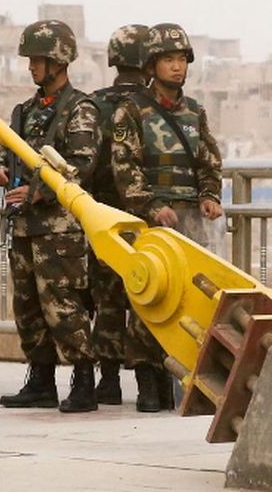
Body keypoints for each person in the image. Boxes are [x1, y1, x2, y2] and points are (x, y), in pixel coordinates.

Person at [0, 20, 100, 413]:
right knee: (28, 305)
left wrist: (36, 192)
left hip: (59, 230)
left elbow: (81, 165)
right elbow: (2, 151)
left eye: (39, 59)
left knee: (63, 304)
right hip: (22, 226)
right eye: (31, 60)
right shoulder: (23, 112)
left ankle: (84, 379)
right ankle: (40, 379)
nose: (32, 67)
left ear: (59, 61)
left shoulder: (80, 109)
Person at [111, 22, 223, 412]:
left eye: (181, 59)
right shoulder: (133, 110)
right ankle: (147, 380)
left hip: (191, 221)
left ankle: (183, 375)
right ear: (151, 64)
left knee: (191, 297)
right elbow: (125, 167)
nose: (177, 67)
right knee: (150, 296)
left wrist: (209, 196)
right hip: (152, 221)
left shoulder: (195, 112)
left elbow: (209, 161)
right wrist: (149, 206)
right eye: (168, 60)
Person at [86, 24, 150, 406]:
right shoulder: (151, 105)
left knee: (107, 298)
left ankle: (108, 381)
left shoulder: (94, 103)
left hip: (104, 216)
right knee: (147, 298)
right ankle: (149, 387)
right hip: (145, 215)